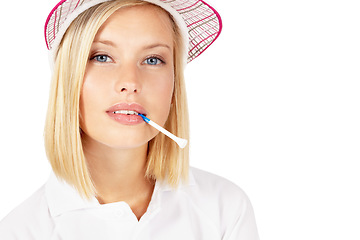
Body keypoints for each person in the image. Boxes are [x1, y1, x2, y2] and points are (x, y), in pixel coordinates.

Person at [0, 0, 260, 239]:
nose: (130, 83)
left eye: (152, 59)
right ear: (66, 81)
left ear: (174, 87)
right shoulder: (21, 231)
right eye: (101, 57)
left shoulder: (224, 208)